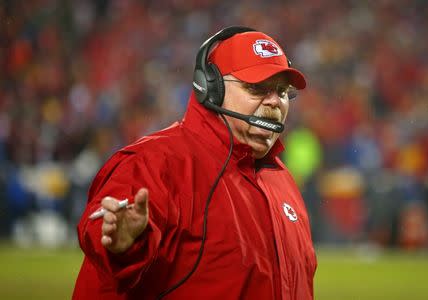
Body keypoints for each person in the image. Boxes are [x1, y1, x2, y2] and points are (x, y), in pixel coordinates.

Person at [73, 26, 317, 300]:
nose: (275, 102)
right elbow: (103, 232)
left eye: (283, 92)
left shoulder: (281, 179)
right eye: (257, 88)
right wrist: (125, 247)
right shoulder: (154, 163)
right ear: (211, 88)